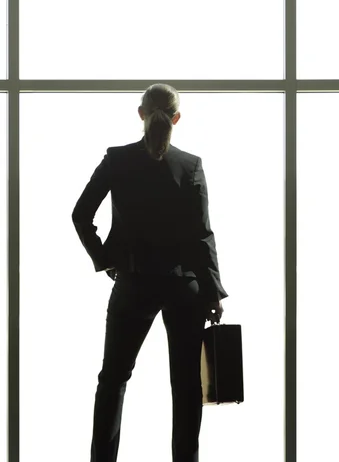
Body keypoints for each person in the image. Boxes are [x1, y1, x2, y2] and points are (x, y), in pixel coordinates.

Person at [71, 82, 229, 462]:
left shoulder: (117, 159)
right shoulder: (190, 165)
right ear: (176, 118)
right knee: (187, 386)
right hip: (184, 286)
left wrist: (106, 258)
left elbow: (80, 215)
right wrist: (213, 292)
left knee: (113, 380)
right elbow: (201, 235)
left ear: (140, 114)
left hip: (134, 282)